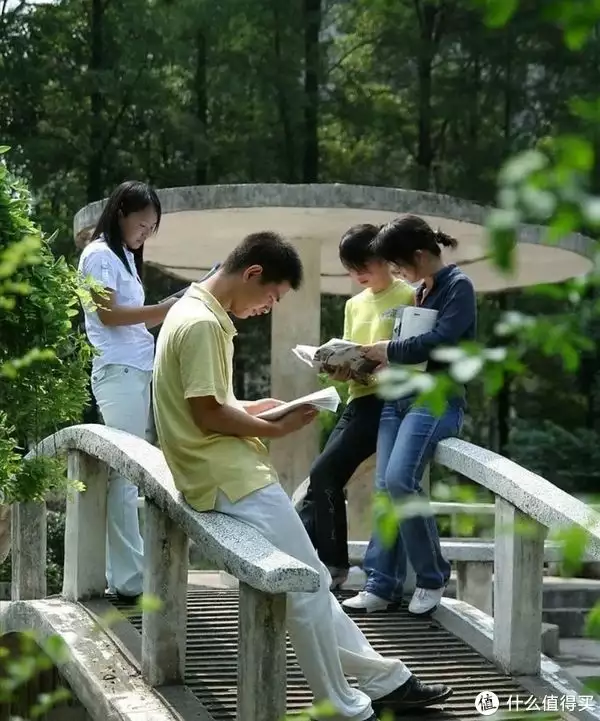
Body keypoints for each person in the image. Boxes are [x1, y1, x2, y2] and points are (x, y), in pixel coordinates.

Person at [152, 230, 453, 721]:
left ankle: (384, 679)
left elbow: (203, 404)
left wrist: (256, 408)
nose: (267, 307)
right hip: (231, 477)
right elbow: (207, 416)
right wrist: (277, 427)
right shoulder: (204, 324)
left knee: (310, 580)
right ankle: (343, 706)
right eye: (270, 296)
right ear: (252, 274)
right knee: (308, 589)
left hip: (219, 471)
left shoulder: (190, 311)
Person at [343, 215, 477, 616]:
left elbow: (440, 342)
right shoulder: (420, 290)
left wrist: (389, 350)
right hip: (396, 398)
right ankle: (380, 584)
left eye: (399, 264)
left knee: (401, 481)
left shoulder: (458, 287)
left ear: (419, 255)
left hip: (436, 400)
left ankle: (433, 575)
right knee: (385, 489)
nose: (398, 273)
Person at [297, 224, 415, 589]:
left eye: (364, 265)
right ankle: (325, 564)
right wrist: (336, 367)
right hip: (360, 400)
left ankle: (333, 567)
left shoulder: (409, 296)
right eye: (352, 269)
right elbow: (349, 357)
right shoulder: (353, 304)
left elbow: (414, 355)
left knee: (325, 474)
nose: (359, 275)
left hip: (391, 403)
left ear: (385, 260)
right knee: (321, 477)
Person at [78, 180, 178, 604]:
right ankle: (130, 578)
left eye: (151, 227)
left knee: (128, 474)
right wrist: (165, 308)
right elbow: (108, 313)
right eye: (142, 223)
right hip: (118, 372)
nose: (145, 233)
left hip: (135, 370)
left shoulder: (123, 258)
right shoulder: (100, 254)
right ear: (121, 213)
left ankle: (125, 572)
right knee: (124, 474)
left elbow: (133, 320)